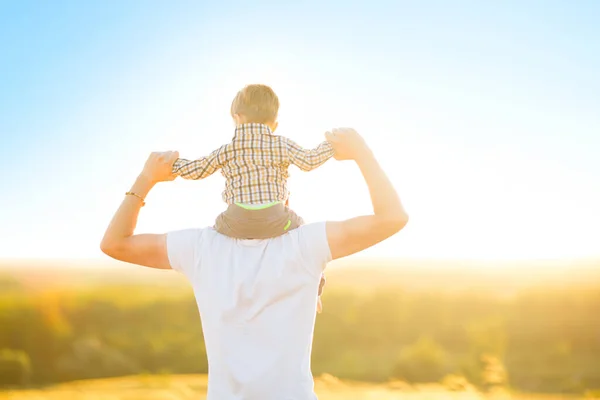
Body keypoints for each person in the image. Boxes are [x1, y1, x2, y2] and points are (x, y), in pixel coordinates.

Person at [100, 127, 408, 400]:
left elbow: (115, 243)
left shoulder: (200, 249)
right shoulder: (306, 245)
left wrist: (146, 179)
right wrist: (361, 154)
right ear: (284, 198)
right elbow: (393, 217)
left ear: (230, 195)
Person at [171, 84, 333, 309]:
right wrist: (331, 145)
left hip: (234, 222)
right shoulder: (281, 144)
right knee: (305, 237)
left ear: (237, 118)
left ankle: (222, 287)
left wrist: (173, 164)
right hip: (278, 220)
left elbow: (197, 170)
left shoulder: (228, 149)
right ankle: (314, 290)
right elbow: (309, 161)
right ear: (274, 124)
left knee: (214, 236)